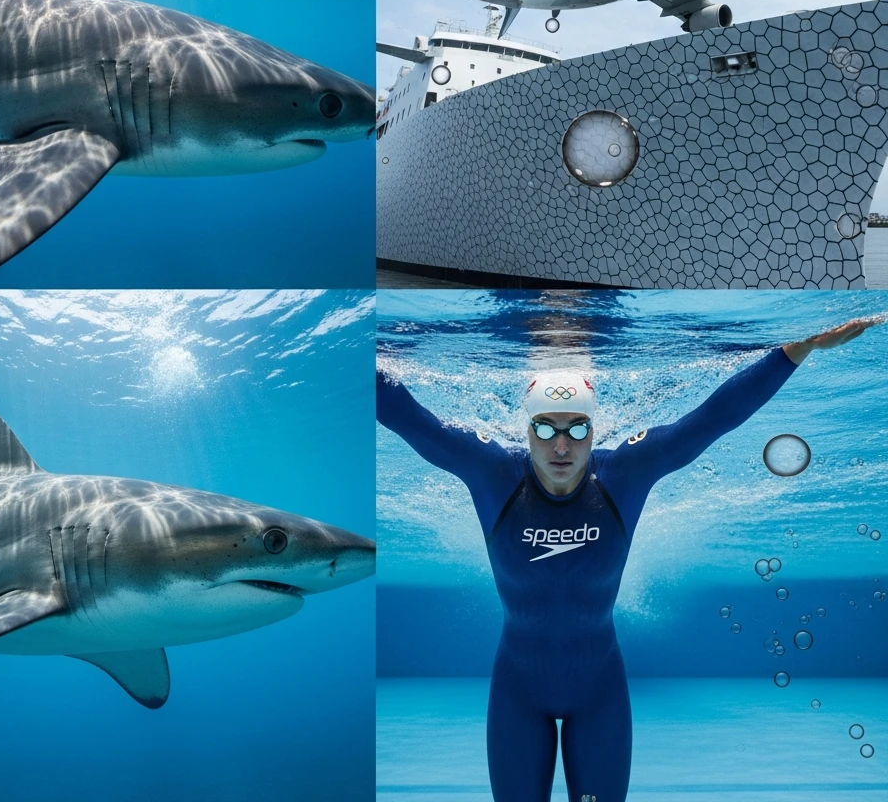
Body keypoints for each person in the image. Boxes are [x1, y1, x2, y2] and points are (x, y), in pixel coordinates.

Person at [376, 318, 877, 802]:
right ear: (525, 429)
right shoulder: (491, 473)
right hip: (517, 692)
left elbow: (711, 419)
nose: (562, 445)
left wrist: (798, 350)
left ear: (596, 429)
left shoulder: (625, 474)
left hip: (599, 693)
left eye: (577, 428)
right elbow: (407, 417)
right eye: (545, 429)